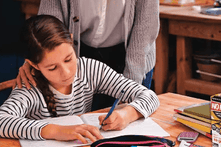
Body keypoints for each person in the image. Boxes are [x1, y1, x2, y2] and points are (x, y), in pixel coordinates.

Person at [0, 15, 160, 144]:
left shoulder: (90, 69)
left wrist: (127, 114)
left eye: (68, 59)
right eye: (52, 68)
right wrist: (56, 131)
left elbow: (149, 96)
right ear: (34, 65)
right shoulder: (30, 86)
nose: (66, 72)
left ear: (72, 42)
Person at [15, 0, 159, 91]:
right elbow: (49, 23)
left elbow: (145, 28)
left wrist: (130, 89)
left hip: (133, 55)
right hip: (77, 54)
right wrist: (39, 56)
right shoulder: (68, 66)